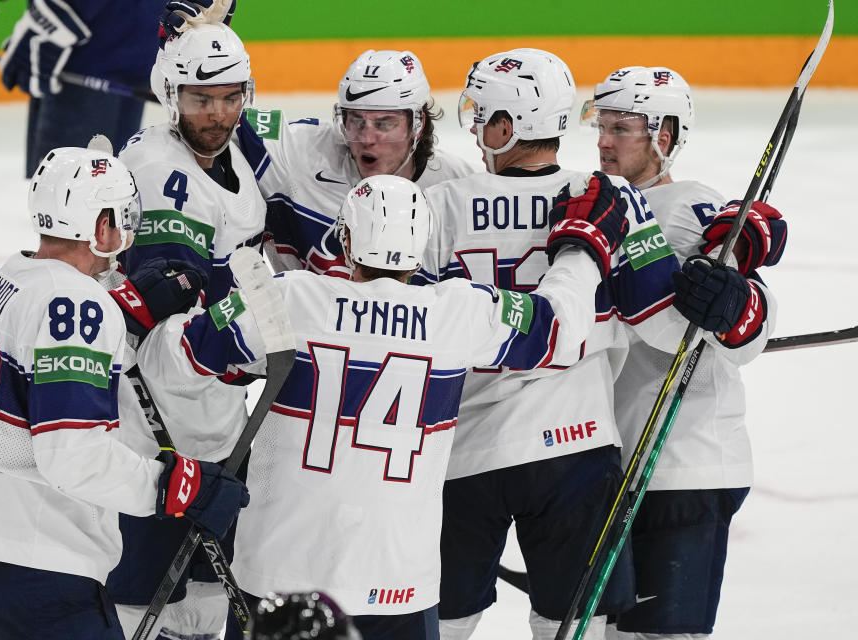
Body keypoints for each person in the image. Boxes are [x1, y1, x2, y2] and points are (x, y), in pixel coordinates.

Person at [139, 172, 632, 639]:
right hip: (398, 582)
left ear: (347, 241)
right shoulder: (456, 313)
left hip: (278, 569)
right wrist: (582, 247)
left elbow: (169, 363)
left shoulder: (289, 300)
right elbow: (559, 329)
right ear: (418, 253)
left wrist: (164, 310)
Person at [414, 49, 697, 640]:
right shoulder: (613, 196)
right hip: (575, 448)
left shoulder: (438, 206)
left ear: (505, 127)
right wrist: (725, 275)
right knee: (574, 627)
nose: (474, 126)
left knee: (443, 620)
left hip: (463, 454)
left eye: (482, 113)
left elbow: (405, 329)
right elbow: (669, 328)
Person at [0, 146, 249, 640]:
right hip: (36, 552)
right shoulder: (76, 303)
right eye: (122, 217)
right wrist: (177, 487)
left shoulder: (12, 278)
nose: (127, 233)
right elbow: (72, 455)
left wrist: (125, 311)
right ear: (100, 227)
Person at [584, 66, 783, 640]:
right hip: (615, 462)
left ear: (663, 137)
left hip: (682, 462)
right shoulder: (599, 203)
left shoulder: (687, 204)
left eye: (621, 128)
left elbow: (751, 321)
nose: (603, 140)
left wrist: (735, 307)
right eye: (602, 125)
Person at [108, 20, 266, 640]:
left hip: (213, 420)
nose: (219, 113)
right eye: (203, 99)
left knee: (205, 600)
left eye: (231, 98)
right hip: (153, 426)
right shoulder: (161, 171)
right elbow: (168, 306)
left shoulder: (230, 167)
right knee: (143, 603)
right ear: (171, 95)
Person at [0, 0, 235, 177]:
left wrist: (60, 13)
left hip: (94, 42)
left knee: (76, 204)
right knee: (98, 200)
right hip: (122, 37)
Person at [232, 48, 476, 276]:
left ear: (417, 124)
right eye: (356, 121)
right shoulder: (300, 153)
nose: (367, 138)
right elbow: (218, 123)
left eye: (384, 123)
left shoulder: (458, 188)